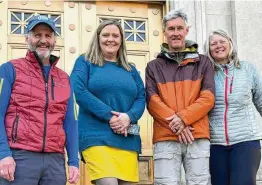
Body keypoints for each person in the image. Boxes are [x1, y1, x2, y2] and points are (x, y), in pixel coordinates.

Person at [0, 15, 80, 185]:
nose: (43, 40)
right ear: (27, 38)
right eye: (37, 35)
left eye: (48, 35)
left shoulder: (65, 79)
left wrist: (73, 161)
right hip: (19, 157)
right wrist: (3, 154)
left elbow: (71, 121)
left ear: (54, 40)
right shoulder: (9, 70)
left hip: (55, 162)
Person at [70, 20, 145, 185]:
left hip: (126, 139)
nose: (110, 39)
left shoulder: (130, 69)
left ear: (121, 40)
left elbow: (141, 98)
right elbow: (79, 91)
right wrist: (109, 116)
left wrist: (128, 117)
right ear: (98, 38)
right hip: (96, 136)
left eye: (115, 36)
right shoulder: (85, 62)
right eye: (105, 35)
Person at [145, 9, 215, 185]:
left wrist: (183, 119)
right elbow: (152, 101)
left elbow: (208, 98)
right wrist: (178, 124)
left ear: (186, 30)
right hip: (165, 137)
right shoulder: (153, 66)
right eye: (171, 29)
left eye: (179, 28)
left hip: (196, 135)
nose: (175, 33)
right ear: (164, 32)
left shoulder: (204, 62)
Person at [204, 29, 262, 185]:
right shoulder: (205, 74)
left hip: (246, 142)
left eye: (222, 41)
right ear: (208, 49)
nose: (218, 46)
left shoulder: (248, 69)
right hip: (215, 144)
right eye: (213, 43)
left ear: (230, 43)